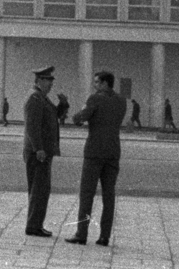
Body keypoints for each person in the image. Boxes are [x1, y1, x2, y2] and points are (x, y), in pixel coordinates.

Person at [66, 70, 127, 247]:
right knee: (109, 195)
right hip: (113, 151)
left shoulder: (95, 99)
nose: (95, 85)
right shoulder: (121, 100)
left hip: (94, 152)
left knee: (87, 194)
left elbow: (80, 118)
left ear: (105, 83)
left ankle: (81, 233)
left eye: (97, 82)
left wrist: (77, 114)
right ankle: (104, 236)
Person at [22, 66, 61, 238]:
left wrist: (63, 105)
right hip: (38, 152)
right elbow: (32, 126)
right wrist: (38, 148)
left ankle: (35, 224)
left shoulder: (41, 97)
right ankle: (33, 226)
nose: (51, 84)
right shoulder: (35, 98)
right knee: (39, 190)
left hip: (43, 151)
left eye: (51, 81)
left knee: (40, 190)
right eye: (48, 80)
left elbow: (52, 116)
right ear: (39, 81)